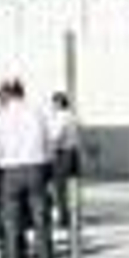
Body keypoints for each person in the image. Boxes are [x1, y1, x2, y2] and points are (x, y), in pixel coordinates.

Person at [0, 78, 54, 258]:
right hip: (36, 168)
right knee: (42, 225)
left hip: (10, 172)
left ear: (7, 94)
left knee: (11, 228)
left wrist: (1, 163)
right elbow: (49, 142)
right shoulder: (37, 112)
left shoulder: (0, 117)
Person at [47, 92, 81, 229]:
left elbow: (56, 136)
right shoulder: (72, 116)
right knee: (71, 187)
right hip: (73, 152)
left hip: (62, 154)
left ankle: (63, 217)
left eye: (54, 102)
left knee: (59, 188)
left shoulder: (61, 117)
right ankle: (72, 215)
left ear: (59, 103)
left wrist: (49, 149)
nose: (53, 105)